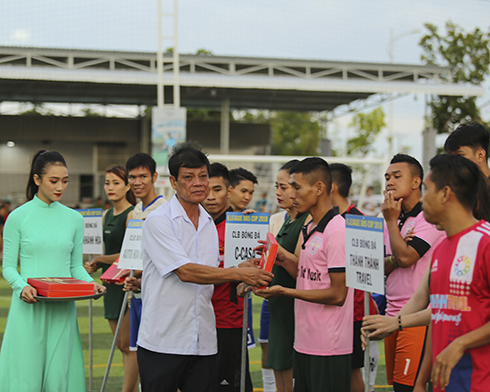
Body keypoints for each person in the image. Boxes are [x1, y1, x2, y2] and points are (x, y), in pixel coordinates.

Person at [137, 143, 273, 392]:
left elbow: (209, 268)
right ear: (174, 182)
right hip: (164, 341)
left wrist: (239, 268)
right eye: (188, 177)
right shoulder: (159, 221)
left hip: (204, 341)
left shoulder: (208, 222)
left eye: (203, 176)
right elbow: (186, 271)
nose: (198, 183)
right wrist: (238, 273)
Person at [363, 154, 490, 392]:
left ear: (445, 194)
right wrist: (421, 380)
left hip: (479, 381)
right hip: (446, 382)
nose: (423, 197)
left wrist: (460, 344)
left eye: (427, 189)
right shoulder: (442, 248)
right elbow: (439, 314)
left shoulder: (485, 242)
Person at [0, 150, 106, 391]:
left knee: (59, 378)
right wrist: (21, 287)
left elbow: (74, 267)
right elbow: (8, 267)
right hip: (28, 309)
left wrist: (92, 284)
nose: (60, 187)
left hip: (62, 310)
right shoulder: (17, 217)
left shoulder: (74, 219)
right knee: (25, 378)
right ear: (37, 180)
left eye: (65, 181)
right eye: (54, 181)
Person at [254, 157, 354, 392]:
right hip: (304, 341)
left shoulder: (337, 230)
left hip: (328, 345)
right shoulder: (310, 228)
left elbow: (338, 294)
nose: (292, 194)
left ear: (319, 188)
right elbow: (308, 276)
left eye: (296, 187)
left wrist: (285, 291)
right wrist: (281, 258)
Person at [382, 154, 445, 392]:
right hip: (392, 313)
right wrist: (397, 253)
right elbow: (383, 265)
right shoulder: (394, 217)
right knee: (399, 386)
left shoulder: (426, 217)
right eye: (387, 177)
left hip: (417, 317)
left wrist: (392, 227)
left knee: (407, 387)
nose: (389, 182)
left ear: (417, 181)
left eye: (397, 176)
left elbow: (407, 258)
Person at [84, 165, 137, 392]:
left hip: (127, 284)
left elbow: (130, 253)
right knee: (121, 345)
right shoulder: (106, 214)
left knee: (128, 344)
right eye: (107, 183)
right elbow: (103, 254)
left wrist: (102, 259)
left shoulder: (133, 214)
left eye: (116, 182)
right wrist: (94, 264)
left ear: (127, 185)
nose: (111, 187)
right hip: (110, 284)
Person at [201, 162, 253, 392]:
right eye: (206, 190)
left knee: (230, 386)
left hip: (228, 323)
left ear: (229, 191)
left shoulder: (243, 227)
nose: (211, 196)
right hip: (196, 320)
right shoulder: (192, 226)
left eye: (218, 189)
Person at [330, 163, 379, 392]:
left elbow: (370, 273)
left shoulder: (361, 223)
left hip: (353, 313)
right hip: (326, 308)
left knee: (350, 371)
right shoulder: (321, 221)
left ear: (330, 187)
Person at [265, 160, 309, 392]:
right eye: (277, 186)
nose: (279, 192)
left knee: (291, 373)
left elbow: (304, 271)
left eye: (285, 187)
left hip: (293, 305)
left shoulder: (306, 221)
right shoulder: (285, 220)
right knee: (278, 368)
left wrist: (279, 254)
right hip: (278, 305)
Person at [123, 153, 167, 355]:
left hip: (159, 297)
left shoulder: (165, 210)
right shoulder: (136, 211)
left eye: (143, 176)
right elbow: (132, 254)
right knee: (140, 352)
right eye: (132, 177)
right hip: (139, 293)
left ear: (154, 177)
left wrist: (138, 274)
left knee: (160, 356)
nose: (137, 182)